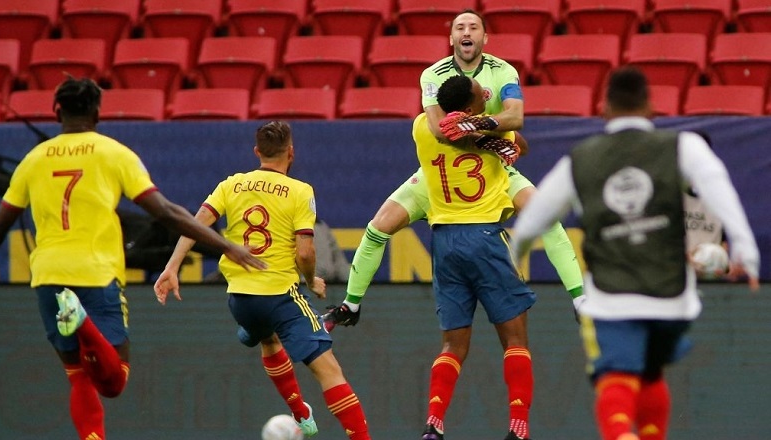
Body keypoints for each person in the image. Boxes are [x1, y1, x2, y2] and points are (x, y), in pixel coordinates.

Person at [0, 77, 265, 440]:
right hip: (95, 272)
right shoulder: (113, 153)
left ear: (56, 111)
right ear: (97, 113)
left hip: (48, 277)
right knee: (114, 381)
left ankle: (77, 328)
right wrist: (225, 245)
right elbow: (165, 212)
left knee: (78, 376)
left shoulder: (33, 161)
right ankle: (84, 323)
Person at [512, 67, 760, 440]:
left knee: (614, 376)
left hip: (613, 297)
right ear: (651, 107)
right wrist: (746, 248)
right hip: (673, 298)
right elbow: (717, 187)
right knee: (650, 372)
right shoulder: (684, 146)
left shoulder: (579, 160)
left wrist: (516, 253)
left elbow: (531, 223)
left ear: (603, 108)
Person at [323, 8, 584, 330]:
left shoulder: (503, 71)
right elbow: (438, 129)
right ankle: (351, 304)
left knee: (545, 216)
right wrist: (490, 140)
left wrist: (479, 127)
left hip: (491, 168)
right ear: (451, 38)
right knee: (378, 227)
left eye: (474, 26)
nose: (467, 31)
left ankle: (580, 299)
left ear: (484, 37)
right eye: (460, 26)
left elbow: (515, 118)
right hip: (440, 171)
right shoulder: (433, 74)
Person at [153, 121, 372, 440]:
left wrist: (172, 267)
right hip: (281, 296)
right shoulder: (300, 191)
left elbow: (195, 224)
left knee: (269, 340)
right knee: (330, 372)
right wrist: (311, 282)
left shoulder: (232, 184)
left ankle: (299, 411)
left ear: (257, 152)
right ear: (291, 152)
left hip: (240, 300)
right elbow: (306, 253)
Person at [417, 74, 536, 440]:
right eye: (479, 93)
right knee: (515, 341)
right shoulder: (496, 136)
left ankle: (434, 423)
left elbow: (442, 130)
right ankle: (518, 427)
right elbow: (522, 147)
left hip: (444, 242)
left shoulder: (422, 127)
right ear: (470, 107)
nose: (486, 93)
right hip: (484, 237)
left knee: (453, 345)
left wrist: (466, 125)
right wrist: (486, 130)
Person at [682, 132, 729, 278]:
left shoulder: (720, 195)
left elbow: (723, 239)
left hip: (709, 278)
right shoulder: (667, 193)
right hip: (676, 278)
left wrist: (721, 261)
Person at [314, 217, 351, 283]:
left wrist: (351, 282)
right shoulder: (292, 227)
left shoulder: (321, 226)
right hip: (303, 287)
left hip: (329, 285)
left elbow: (339, 260)